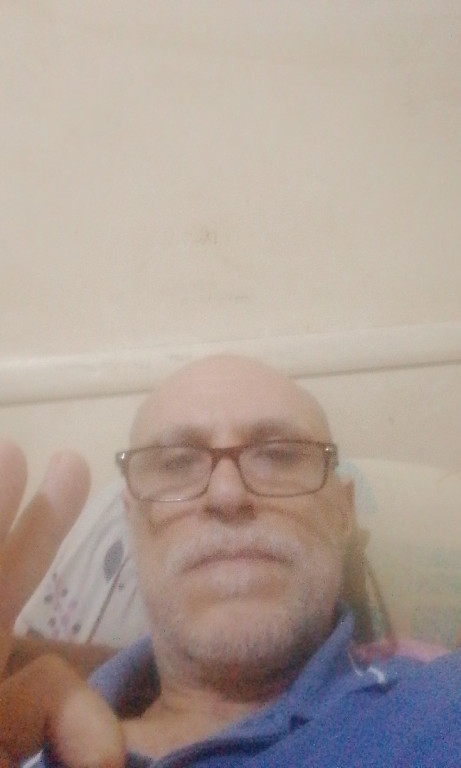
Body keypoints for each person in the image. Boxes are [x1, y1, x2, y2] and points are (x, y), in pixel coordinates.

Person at [1, 355, 460, 767]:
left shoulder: (442, 707)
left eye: (279, 456)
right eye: (176, 463)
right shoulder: (26, 734)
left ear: (343, 512)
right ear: (131, 523)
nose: (227, 495)